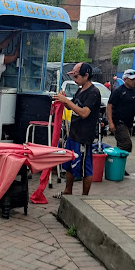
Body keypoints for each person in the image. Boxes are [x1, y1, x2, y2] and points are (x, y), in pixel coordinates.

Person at [52, 62, 101, 196]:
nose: (74, 80)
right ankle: (68, 191)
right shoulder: (80, 90)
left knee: (85, 167)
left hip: (84, 136)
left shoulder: (93, 92)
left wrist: (67, 102)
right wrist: (64, 100)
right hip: (74, 133)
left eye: (76, 77)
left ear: (86, 75)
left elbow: (84, 113)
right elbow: (72, 106)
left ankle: (84, 197)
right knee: (69, 163)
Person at [106, 68, 135, 159]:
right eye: (132, 79)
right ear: (125, 79)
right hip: (119, 122)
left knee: (122, 145)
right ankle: (117, 162)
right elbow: (109, 106)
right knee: (126, 143)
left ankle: (118, 164)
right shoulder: (118, 91)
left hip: (129, 122)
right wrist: (110, 122)